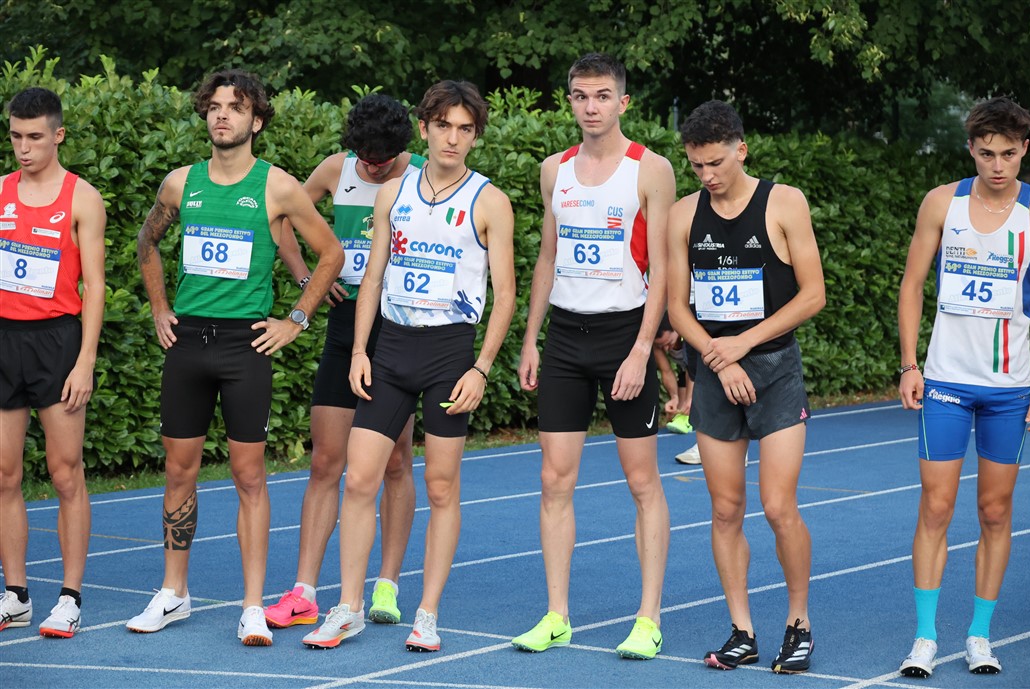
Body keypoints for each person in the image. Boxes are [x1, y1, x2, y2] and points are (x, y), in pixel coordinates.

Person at [129, 69, 343, 646]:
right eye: (215, 106)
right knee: (179, 470)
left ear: (257, 121)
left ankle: (251, 605)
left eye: (236, 107)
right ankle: (174, 592)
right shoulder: (180, 183)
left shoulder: (279, 187)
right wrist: (159, 307)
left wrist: (295, 320)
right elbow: (147, 241)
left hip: (244, 346)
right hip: (187, 342)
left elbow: (331, 253)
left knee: (249, 476)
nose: (222, 115)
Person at [300, 80, 515, 652]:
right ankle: (347, 606)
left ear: (475, 136)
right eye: (442, 126)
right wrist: (358, 351)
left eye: (464, 129)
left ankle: (427, 613)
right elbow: (372, 276)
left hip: (449, 355)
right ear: (424, 128)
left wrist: (481, 368)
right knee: (359, 479)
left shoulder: (490, 201)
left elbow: (507, 296)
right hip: (390, 350)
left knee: (442, 486)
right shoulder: (393, 193)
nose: (452, 138)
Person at [514, 53, 675, 660]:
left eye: (602, 96)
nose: (591, 106)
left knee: (642, 480)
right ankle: (557, 614)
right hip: (565, 337)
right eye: (581, 96)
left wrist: (642, 349)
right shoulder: (553, 169)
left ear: (622, 102)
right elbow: (548, 256)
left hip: (623, 336)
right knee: (554, 479)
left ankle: (648, 617)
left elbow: (664, 266)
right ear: (570, 101)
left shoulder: (650, 169)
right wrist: (531, 338)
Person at [667, 100, 826, 674]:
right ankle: (742, 629)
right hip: (716, 372)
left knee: (778, 506)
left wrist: (745, 343)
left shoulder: (784, 202)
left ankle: (799, 623)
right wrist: (720, 356)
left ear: (741, 149)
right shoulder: (684, 215)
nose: (707, 175)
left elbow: (813, 294)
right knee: (726, 508)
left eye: (715, 163)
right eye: (696, 166)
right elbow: (676, 306)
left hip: (775, 368)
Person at [264, 94, 425, 631]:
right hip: (343, 321)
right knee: (325, 461)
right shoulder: (336, 168)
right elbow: (281, 216)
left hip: (397, 326)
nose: (372, 168)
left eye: (382, 161)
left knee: (395, 461)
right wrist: (304, 274)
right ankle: (304, 592)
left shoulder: (422, 175)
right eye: (365, 159)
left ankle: (387, 584)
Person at [897, 97, 1030, 678]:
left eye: (1008, 154)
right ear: (970, 150)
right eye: (986, 154)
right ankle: (925, 637)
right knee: (936, 507)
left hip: (1009, 387)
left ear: (1024, 149)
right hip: (947, 380)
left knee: (995, 510)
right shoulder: (941, 203)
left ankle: (979, 635)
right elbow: (912, 284)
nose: (997, 165)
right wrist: (909, 364)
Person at [0, 87, 106, 639]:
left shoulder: (83, 198)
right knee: (4, 473)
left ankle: (70, 596)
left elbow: (96, 286)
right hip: (4, 339)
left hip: (57, 341)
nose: (24, 148)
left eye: (35, 137)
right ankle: (16, 595)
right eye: (15, 137)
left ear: (58, 135)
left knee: (66, 473)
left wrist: (85, 360)